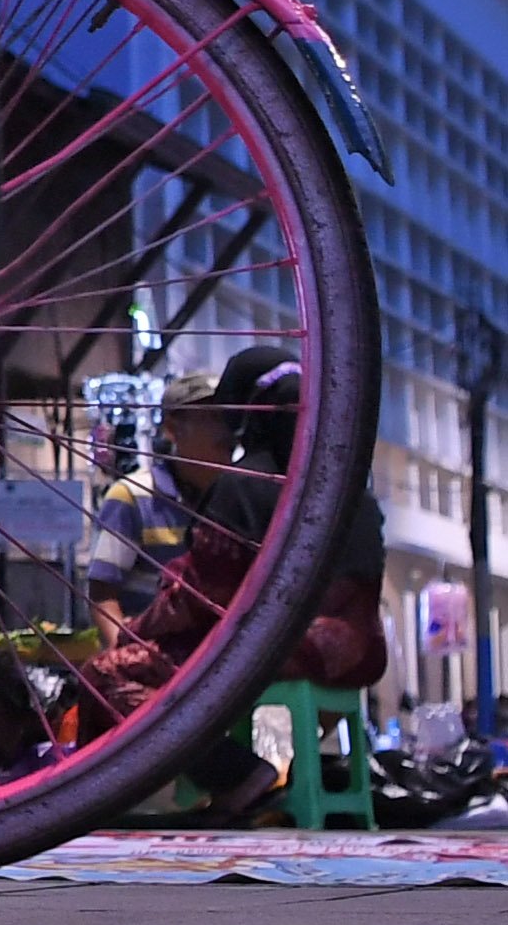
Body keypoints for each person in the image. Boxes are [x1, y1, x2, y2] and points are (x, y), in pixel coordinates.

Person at [82, 344, 388, 813]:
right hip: (358, 655)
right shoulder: (353, 490)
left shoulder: (242, 485)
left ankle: (236, 776)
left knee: (105, 674)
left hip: (272, 652)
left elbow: (202, 597)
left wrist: (139, 632)